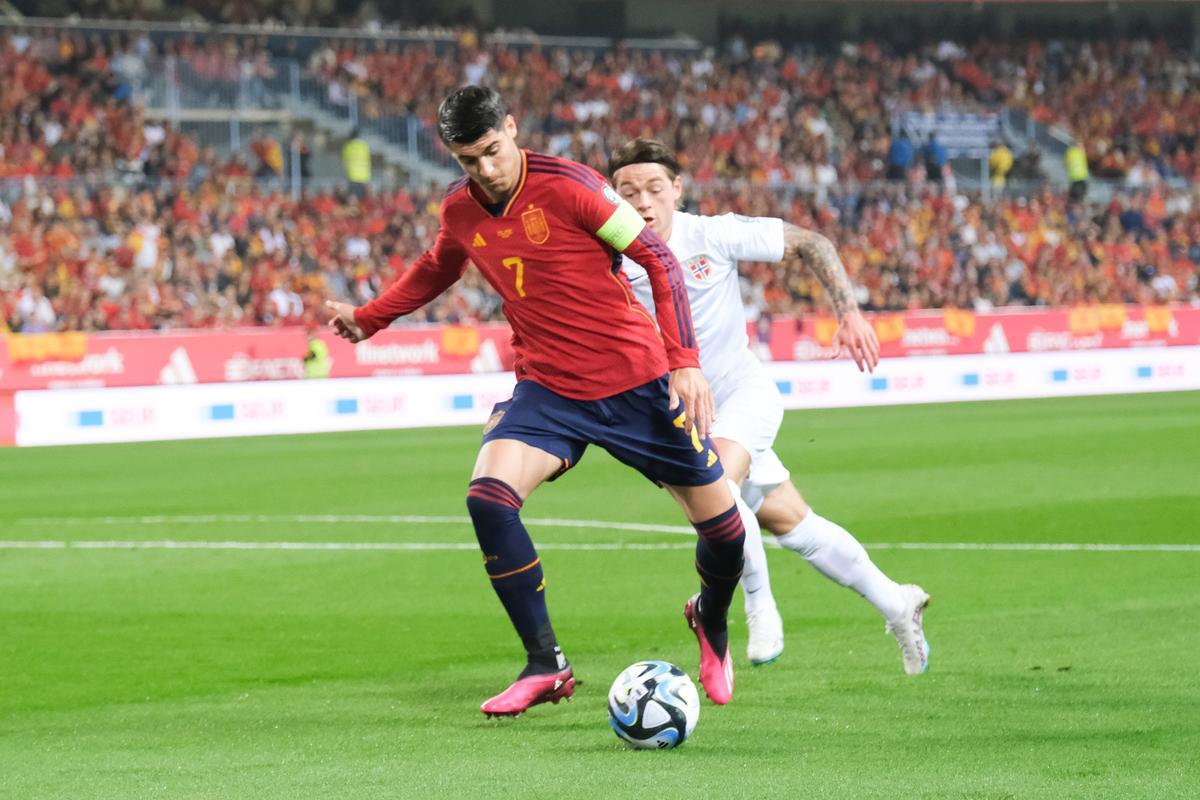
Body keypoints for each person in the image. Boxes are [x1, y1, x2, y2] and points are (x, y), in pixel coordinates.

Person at [325, 87, 747, 716]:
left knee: (727, 533)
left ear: (513, 129)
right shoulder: (461, 211)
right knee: (488, 499)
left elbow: (657, 257)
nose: (486, 170)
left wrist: (684, 363)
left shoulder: (573, 187)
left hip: (634, 382)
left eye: (493, 151)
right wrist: (370, 319)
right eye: (469, 160)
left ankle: (710, 618)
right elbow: (438, 266)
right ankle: (545, 664)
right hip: (547, 387)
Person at [608, 138, 931, 675]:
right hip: (675, 419)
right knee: (794, 524)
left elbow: (811, 242)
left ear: (677, 191)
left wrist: (848, 312)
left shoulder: (711, 234)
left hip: (741, 392)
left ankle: (760, 608)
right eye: (629, 191)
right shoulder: (606, 259)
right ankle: (899, 603)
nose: (644, 201)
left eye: (655, 188)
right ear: (612, 196)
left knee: (721, 495)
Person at [343, 128, 371, 198]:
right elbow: (368, 162)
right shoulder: (364, 146)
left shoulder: (347, 146)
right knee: (362, 198)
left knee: (353, 198)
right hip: (364, 177)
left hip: (352, 176)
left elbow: (345, 162)